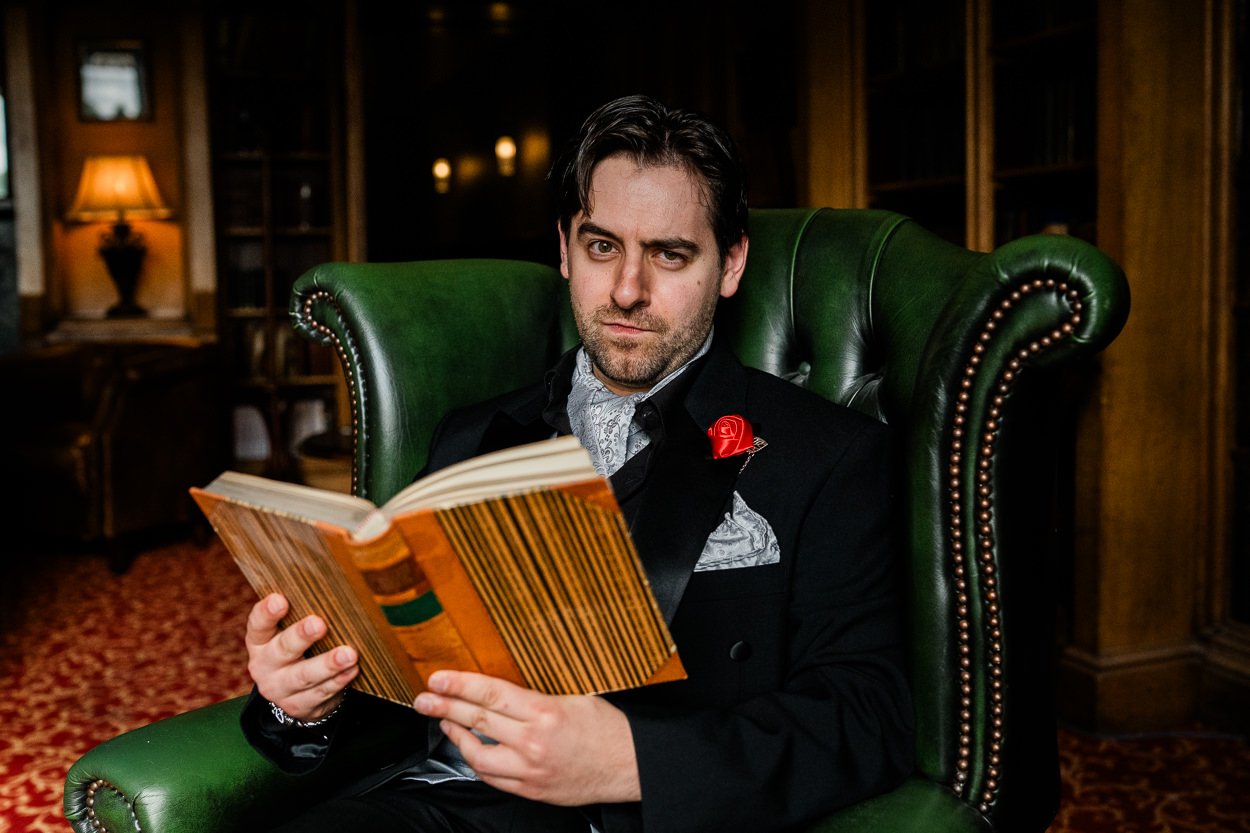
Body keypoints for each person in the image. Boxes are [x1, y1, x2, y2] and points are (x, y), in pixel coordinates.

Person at [240, 93, 914, 833]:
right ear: (565, 248)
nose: (628, 289)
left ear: (731, 264)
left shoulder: (830, 455)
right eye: (602, 247)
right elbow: (407, 689)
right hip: (441, 805)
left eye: (669, 253)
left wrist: (631, 760)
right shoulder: (470, 437)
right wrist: (299, 699)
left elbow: (867, 713)